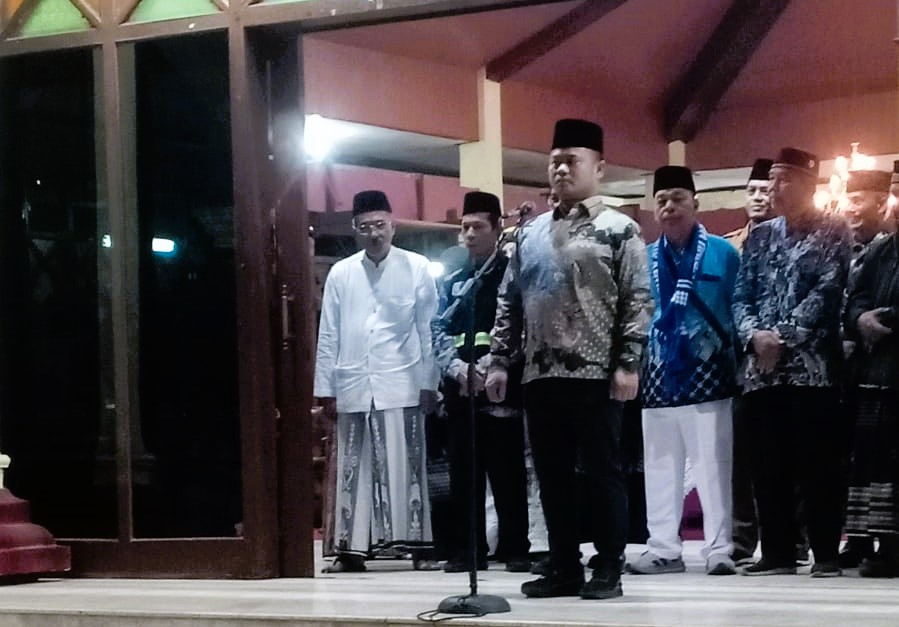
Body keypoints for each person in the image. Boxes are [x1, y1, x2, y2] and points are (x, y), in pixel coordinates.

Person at [485, 118, 653, 600]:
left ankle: (609, 566)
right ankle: (563, 566)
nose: (561, 169)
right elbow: (509, 300)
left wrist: (628, 362)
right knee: (551, 475)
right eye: (555, 161)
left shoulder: (620, 229)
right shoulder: (530, 233)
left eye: (571, 160)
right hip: (540, 373)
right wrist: (499, 360)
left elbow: (638, 299)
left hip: (598, 373)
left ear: (598, 168)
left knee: (603, 473)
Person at [733, 147, 851, 577]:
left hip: (812, 372)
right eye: (772, 180)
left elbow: (828, 291)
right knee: (768, 466)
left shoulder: (834, 229)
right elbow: (741, 294)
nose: (774, 188)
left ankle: (825, 553)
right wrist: (754, 336)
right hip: (762, 374)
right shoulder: (761, 236)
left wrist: (780, 337)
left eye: (783, 180)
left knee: (818, 467)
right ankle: (778, 552)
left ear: (808, 184)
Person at [313, 190, 439, 573]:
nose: (374, 233)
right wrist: (325, 389)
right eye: (365, 227)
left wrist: (430, 382)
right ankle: (351, 552)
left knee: (407, 469)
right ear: (355, 230)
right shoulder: (341, 273)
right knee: (354, 470)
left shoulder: (416, 267)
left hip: (402, 381)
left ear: (393, 226)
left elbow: (429, 329)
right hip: (352, 382)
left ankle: (418, 549)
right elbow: (328, 334)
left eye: (380, 225)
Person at [627, 166, 740, 576]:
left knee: (713, 465)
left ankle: (719, 548)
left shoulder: (724, 253)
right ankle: (663, 548)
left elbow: (737, 306)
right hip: (658, 373)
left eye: (678, 198)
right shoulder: (644, 257)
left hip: (711, 373)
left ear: (696, 203)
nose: (670, 207)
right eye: (662, 200)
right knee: (660, 466)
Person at [431, 191, 530, 574]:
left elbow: (522, 326)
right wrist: (457, 368)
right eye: (465, 227)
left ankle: (515, 547)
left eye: (478, 227)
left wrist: (491, 365)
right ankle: (468, 550)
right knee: (464, 472)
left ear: (497, 227)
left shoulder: (513, 274)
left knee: (507, 471)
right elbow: (437, 328)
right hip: (461, 387)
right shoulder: (454, 279)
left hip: (501, 384)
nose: (469, 235)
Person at [842, 161, 899, 577]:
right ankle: (869, 542)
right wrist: (861, 319)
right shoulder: (882, 250)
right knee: (873, 461)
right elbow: (856, 299)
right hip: (877, 373)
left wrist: (887, 320)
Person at [725, 158, 775, 252]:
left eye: (765, 192)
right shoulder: (729, 245)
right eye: (751, 191)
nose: (757, 197)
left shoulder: (790, 243)